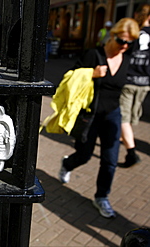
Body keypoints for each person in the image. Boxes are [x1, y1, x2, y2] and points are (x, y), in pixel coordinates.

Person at [58, 18, 140, 218]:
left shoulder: (128, 59)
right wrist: (91, 74)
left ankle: (101, 197)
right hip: (90, 115)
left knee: (110, 161)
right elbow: (69, 77)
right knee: (84, 155)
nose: (125, 46)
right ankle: (67, 164)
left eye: (130, 43)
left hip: (113, 114)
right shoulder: (94, 54)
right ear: (112, 35)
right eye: (122, 41)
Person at [119, 4, 150, 168]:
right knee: (130, 116)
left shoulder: (133, 31)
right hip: (145, 82)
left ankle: (131, 152)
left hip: (129, 80)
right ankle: (125, 136)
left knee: (124, 117)